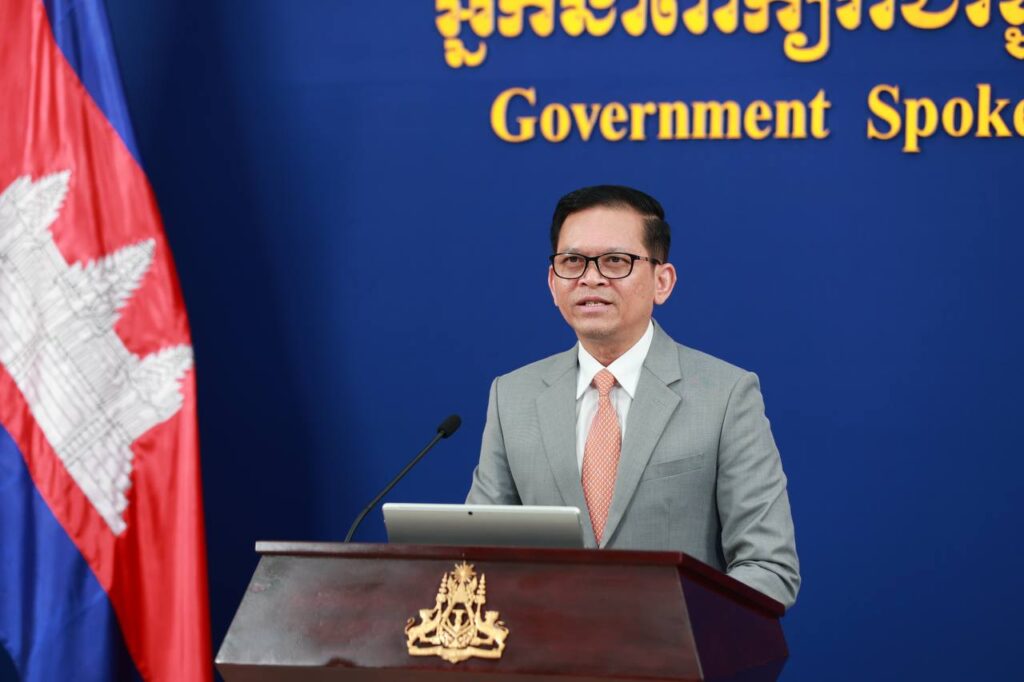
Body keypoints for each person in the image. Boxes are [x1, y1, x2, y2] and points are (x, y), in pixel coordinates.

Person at [466, 185, 800, 608]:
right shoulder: (512, 396)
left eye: (615, 261)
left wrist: (673, 628)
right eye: (572, 261)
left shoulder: (726, 396)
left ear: (662, 281)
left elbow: (768, 566)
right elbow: (475, 553)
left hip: (675, 644)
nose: (591, 278)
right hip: (545, 644)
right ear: (552, 283)